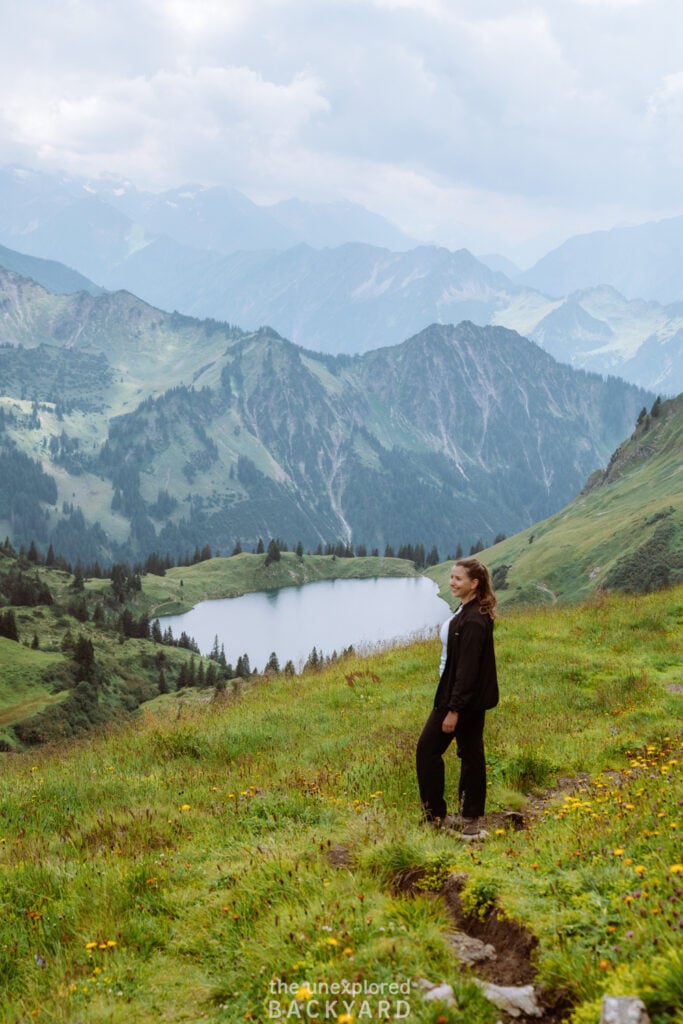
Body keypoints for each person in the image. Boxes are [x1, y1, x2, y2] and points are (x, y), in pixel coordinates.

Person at [416, 557, 498, 837]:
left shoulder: (474, 619)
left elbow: (468, 671)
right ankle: (470, 818)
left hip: (459, 700)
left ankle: (436, 816)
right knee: (471, 754)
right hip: (465, 699)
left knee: (427, 750)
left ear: (474, 584)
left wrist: (453, 709)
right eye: (451, 577)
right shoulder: (468, 610)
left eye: (458, 579)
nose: (452, 582)